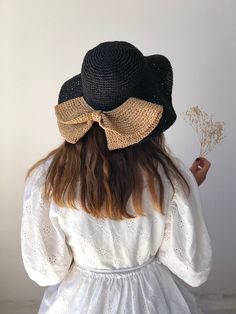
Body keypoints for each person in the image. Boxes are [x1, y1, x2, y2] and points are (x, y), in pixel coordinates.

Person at [20, 41, 213, 314]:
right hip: (151, 299)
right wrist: (187, 188)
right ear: (146, 115)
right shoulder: (171, 176)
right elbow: (192, 268)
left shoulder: (47, 179)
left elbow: (46, 271)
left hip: (79, 303)